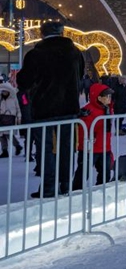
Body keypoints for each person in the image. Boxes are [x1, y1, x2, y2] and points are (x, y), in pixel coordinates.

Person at [17, 21, 85, 198]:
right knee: (67, 148)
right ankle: (64, 184)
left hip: (44, 110)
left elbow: (24, 81)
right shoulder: (75, 53)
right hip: (70, 109)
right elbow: (82, 75)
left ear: (42, 33)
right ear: (62, 33)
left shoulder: (36, 54)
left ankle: (48, 187)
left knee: (46, 149)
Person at [72, 84, 114, 190]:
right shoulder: (87, 111)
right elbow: (84, 130)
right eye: (107, 96)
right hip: (89, 148)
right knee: (83, 173)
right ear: (99, 98)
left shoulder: (108, 109)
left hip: (104, 148)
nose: (109, 98)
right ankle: (76, 192)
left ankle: (100, 192)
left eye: (110, 96)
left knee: (105, 174)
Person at [0, 82, 23, 158]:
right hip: (1, 118)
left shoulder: (13, 98)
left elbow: (18, 108)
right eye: (3, 91)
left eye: (5, 91)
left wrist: (19, 117)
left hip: (10, 118)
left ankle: (17, 146)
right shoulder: (0, 99)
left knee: (8, 134)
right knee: (1, 135)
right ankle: (4, 151)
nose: (4, 93)